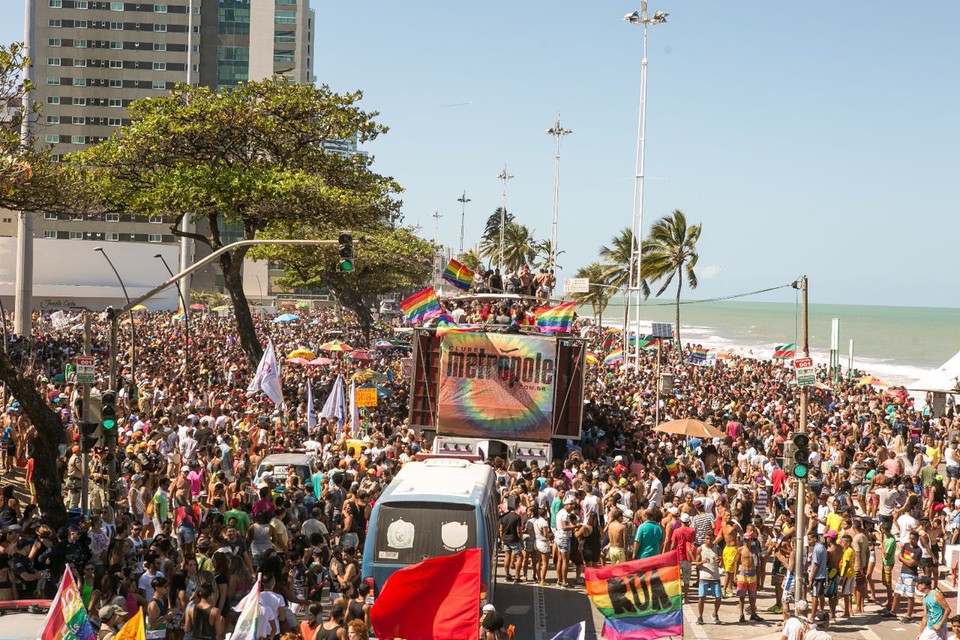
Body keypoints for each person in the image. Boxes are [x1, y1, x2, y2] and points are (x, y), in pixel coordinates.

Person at [890, 529, 922, 622]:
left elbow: (911, 563)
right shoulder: (906, 545)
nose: (911, 540)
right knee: (897, 593)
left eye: (913, 539)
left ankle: (908, 615)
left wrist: (903, 559)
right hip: (902, 573)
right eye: (910, 538)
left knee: (910, 596)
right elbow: (900, 556)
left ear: (917, 540)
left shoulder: (918, 550)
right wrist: (906, 560)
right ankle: (893, 611)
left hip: (911, 575)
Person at [694, 539, 722, 625]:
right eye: (707, 539)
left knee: (718, 597)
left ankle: (715, 614)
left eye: (710, 539)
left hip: (715, 577)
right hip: (704, 577)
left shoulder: (717, 549)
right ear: (705, 539)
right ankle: (700, 617)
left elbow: (721, 564)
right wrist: (702, 561)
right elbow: (697, 564)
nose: (709, 541)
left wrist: (719, 560)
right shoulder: (700, 549)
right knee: (701, 597)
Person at [917, 576, 951, 640]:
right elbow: (925, 617)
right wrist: (920, 633)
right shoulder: (925, 598)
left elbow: (948, 610)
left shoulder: (936, 594)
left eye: (918, 584)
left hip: (938, 629)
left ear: (923, 585)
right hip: (930, 627)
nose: (917, 586)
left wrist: (940, 624)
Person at [499, 498, 523, 582]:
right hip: (514, 540)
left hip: (505, 539)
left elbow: (501, 529)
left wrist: (502, 539)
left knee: (507, 556)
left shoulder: (503, 516)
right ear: (516, 506)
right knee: (519, 556)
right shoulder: (517, 517)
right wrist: (521, 542)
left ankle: (507, 575)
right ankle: (517, 576)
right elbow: (518, 531)